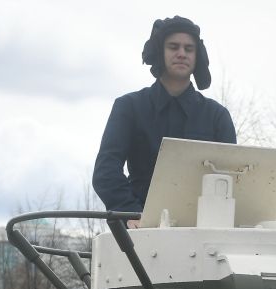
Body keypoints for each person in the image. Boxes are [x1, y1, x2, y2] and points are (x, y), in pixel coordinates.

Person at [93, 15, 236, 216]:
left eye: (189, 49)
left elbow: (232, 179)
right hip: (140, 229)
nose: (181, 53)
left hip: (204, 228)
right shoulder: (129, 107)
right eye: (173, 47)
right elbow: (106, 172)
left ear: (198, 56)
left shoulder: (217, 116)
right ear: (160, 52)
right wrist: (129, 212)